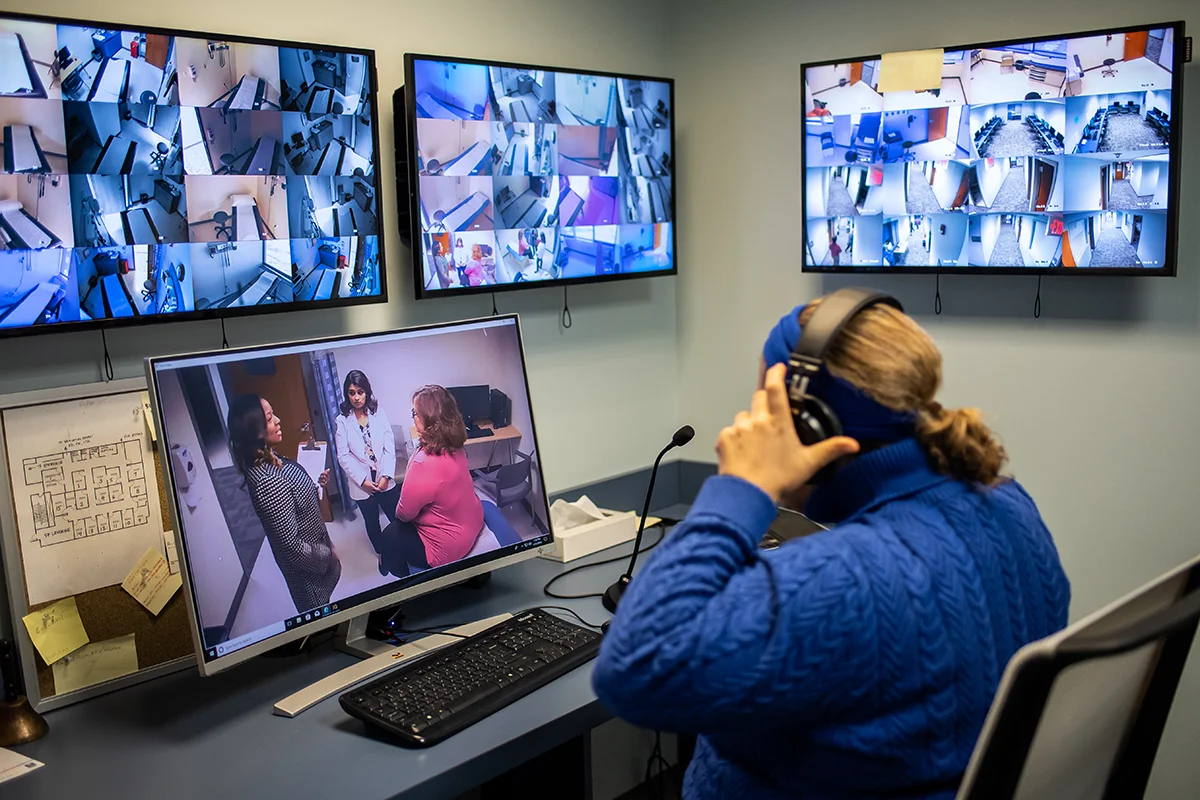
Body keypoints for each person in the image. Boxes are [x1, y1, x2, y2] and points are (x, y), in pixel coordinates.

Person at [593, 294, 1070, 800]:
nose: (751, 425)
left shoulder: (849, 578)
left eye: (765, 409)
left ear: (808, 424)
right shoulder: (1009, 506)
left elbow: (632, 668)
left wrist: (741, 488)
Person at [228, 394, 340, 614]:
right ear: (253, 430)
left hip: (318, 551)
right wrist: (327, 555)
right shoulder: (267, 482)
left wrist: (314, 485)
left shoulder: (267, 456)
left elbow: (292, 502)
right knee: (322, 619)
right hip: (310, 571)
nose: (278, 420)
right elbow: (292, 547)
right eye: (270, 418)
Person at [385, 385, 484, 575]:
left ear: (429, 421)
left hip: (449, 547)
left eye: (415, 412)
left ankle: (393, 571)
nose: (413, 416)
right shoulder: (457, 446)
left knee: (392, 533)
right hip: (473, 519)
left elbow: (404, 514)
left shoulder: (423, 463)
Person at [333, 370, 400, 576]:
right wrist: (362, 481)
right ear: (347, 395)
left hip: (384, 479)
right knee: (372, 522)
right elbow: (343, 456)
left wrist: (386, 476)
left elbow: (389, 447)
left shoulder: (379, 412)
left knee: (397, 517)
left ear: (367, 392)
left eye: (360, 392)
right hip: (361, 483)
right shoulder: (342, 421)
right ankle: (382, 553)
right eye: (351, 393)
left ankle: (402, 549)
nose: (356, 398)